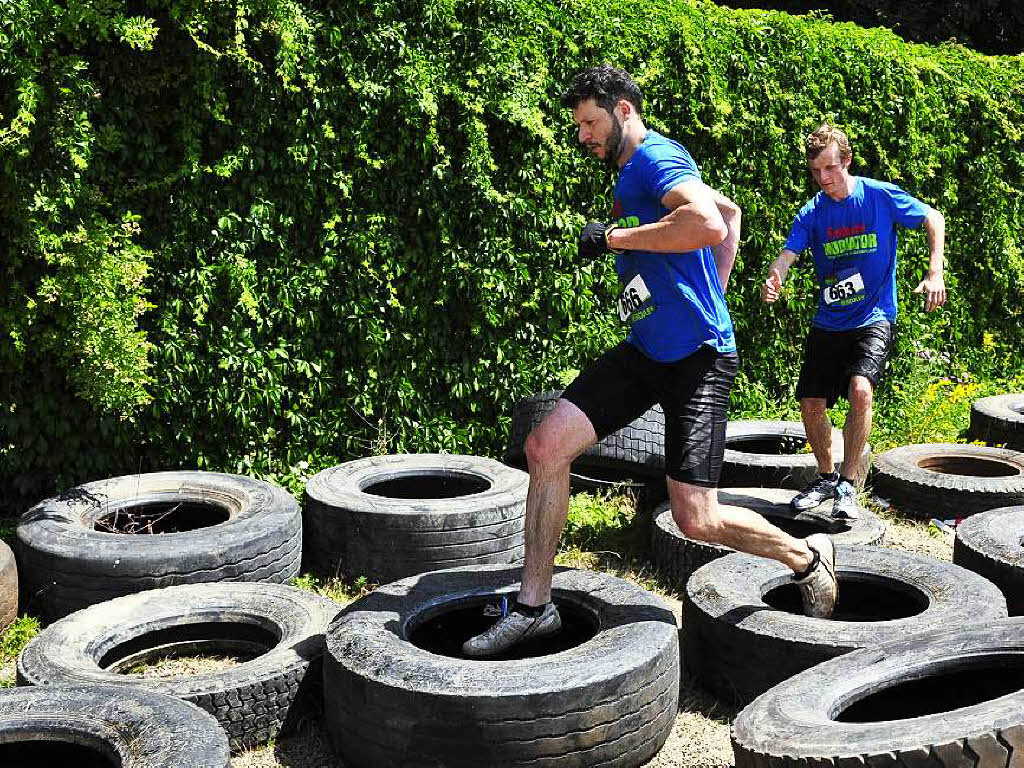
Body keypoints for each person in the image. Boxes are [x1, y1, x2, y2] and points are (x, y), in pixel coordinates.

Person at [462, 65, 838, 657]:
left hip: (699, 359)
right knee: (545, 447)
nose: (581, 135)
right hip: (647, 349)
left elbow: (708, 221)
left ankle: (804, 555)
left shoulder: (653, 160)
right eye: (579, 124)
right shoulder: (633, 167)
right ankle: (535, 607)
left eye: (589, 122)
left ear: (624, 112)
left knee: (697, 519)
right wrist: (712, 283)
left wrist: (614, 240)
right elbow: (732, 214)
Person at [762, 123, 946, 519]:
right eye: (815, 172)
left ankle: (848, 484)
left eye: (830, 169)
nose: (824, 179)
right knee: (811, 402)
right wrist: (776, 276)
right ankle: (826, 477)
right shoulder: (813, 212)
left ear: (846, 160)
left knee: (861, 390)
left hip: (874, 315)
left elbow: (934, 217)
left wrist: (935, 271)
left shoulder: (879, 196)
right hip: (830, 320)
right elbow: (788, 255)